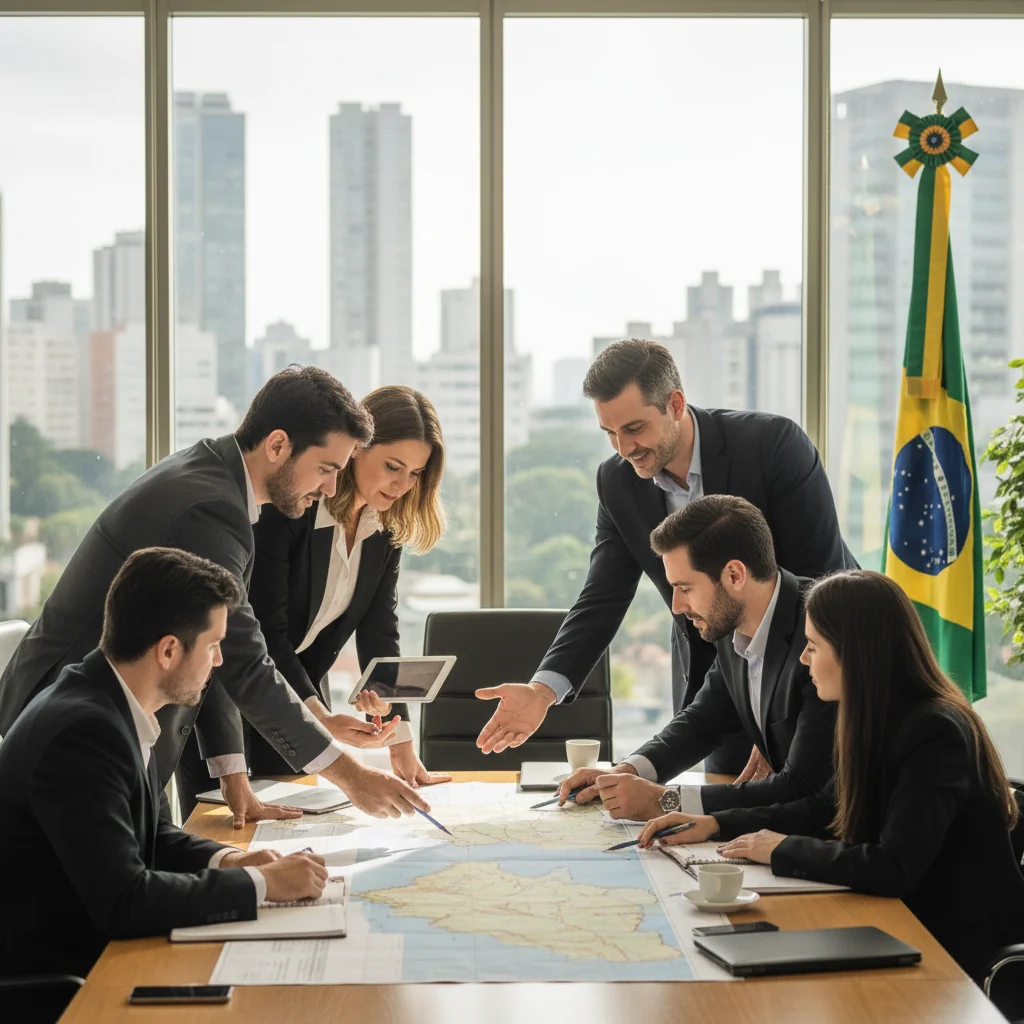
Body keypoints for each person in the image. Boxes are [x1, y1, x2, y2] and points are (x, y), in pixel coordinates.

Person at [0, 365, 430, 825]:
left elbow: (219, 645)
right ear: (278, 445)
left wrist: (231, 773)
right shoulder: (211, 511)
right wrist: (351, 776)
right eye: (326, 469)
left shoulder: (216, 479)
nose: (330, 487)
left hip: (110, 724)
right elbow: (246, 656)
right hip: (73, 732)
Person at [475, 339, 856, 773]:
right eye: (610, 433)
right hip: (715, 686)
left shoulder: (772, 445)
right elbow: (603, 595)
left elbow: (820, 580)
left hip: (815, 670)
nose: (623, 448)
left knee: (799, 812)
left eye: (635, 428)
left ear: (675, 403)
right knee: (716, 822)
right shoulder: (617, 482)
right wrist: (542, 691)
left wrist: (779, 711)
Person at [637, 570, 1024, 983]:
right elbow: (824, 807)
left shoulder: (935, 732)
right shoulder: (873, 715)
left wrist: (781, 849)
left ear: (857, 654)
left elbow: (896, 866)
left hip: (956, 952)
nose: (803, 659)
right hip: (897, 922)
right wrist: (717, 824)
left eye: (814, 646)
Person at [0, 548, 330, 987]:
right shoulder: (84, 733)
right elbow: (126, 901)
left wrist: (231, 861)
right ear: (169, 651)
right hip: (65, 977)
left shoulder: (106, 700)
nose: (218, 661)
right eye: (213, 646)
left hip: (93, 951)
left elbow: (147, 834)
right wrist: (263, 886)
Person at [556, 495, 836, 821]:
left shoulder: (822, 634)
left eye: (685, 588)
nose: (677, 606)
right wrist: (624, 773)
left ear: (734, 575)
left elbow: (803, 787)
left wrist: (667, 801)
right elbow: (703, 722)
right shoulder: (735, 625)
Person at [240, 385, 451, 790]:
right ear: (356, 448)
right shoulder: (291, 509)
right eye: (393, 466)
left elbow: (379, 631)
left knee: (296, 819)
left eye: (416, 473)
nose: (404, 484)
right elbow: (267, 631)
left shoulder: (383, 531)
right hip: (240, 693)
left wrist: (401, 742)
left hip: (303, 690)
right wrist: (318, 714)